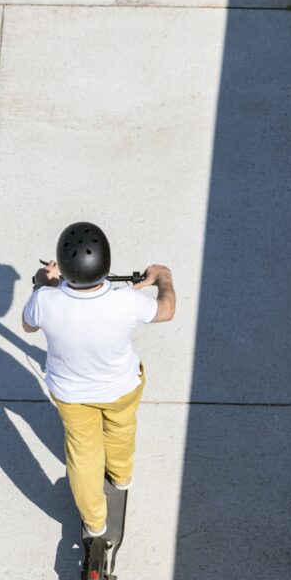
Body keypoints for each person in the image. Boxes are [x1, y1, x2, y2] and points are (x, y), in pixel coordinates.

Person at [22, 221, 175, 540]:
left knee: (82, 451)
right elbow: (166, 311)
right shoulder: (126, 301)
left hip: (71, 395)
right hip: (120, 388)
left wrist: (41, 284)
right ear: (105, 264)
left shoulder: (45, 302)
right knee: (121, 428)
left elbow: (28, 326)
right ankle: (120, 476)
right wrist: (164, 278)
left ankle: (94, 522)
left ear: (63, 267)